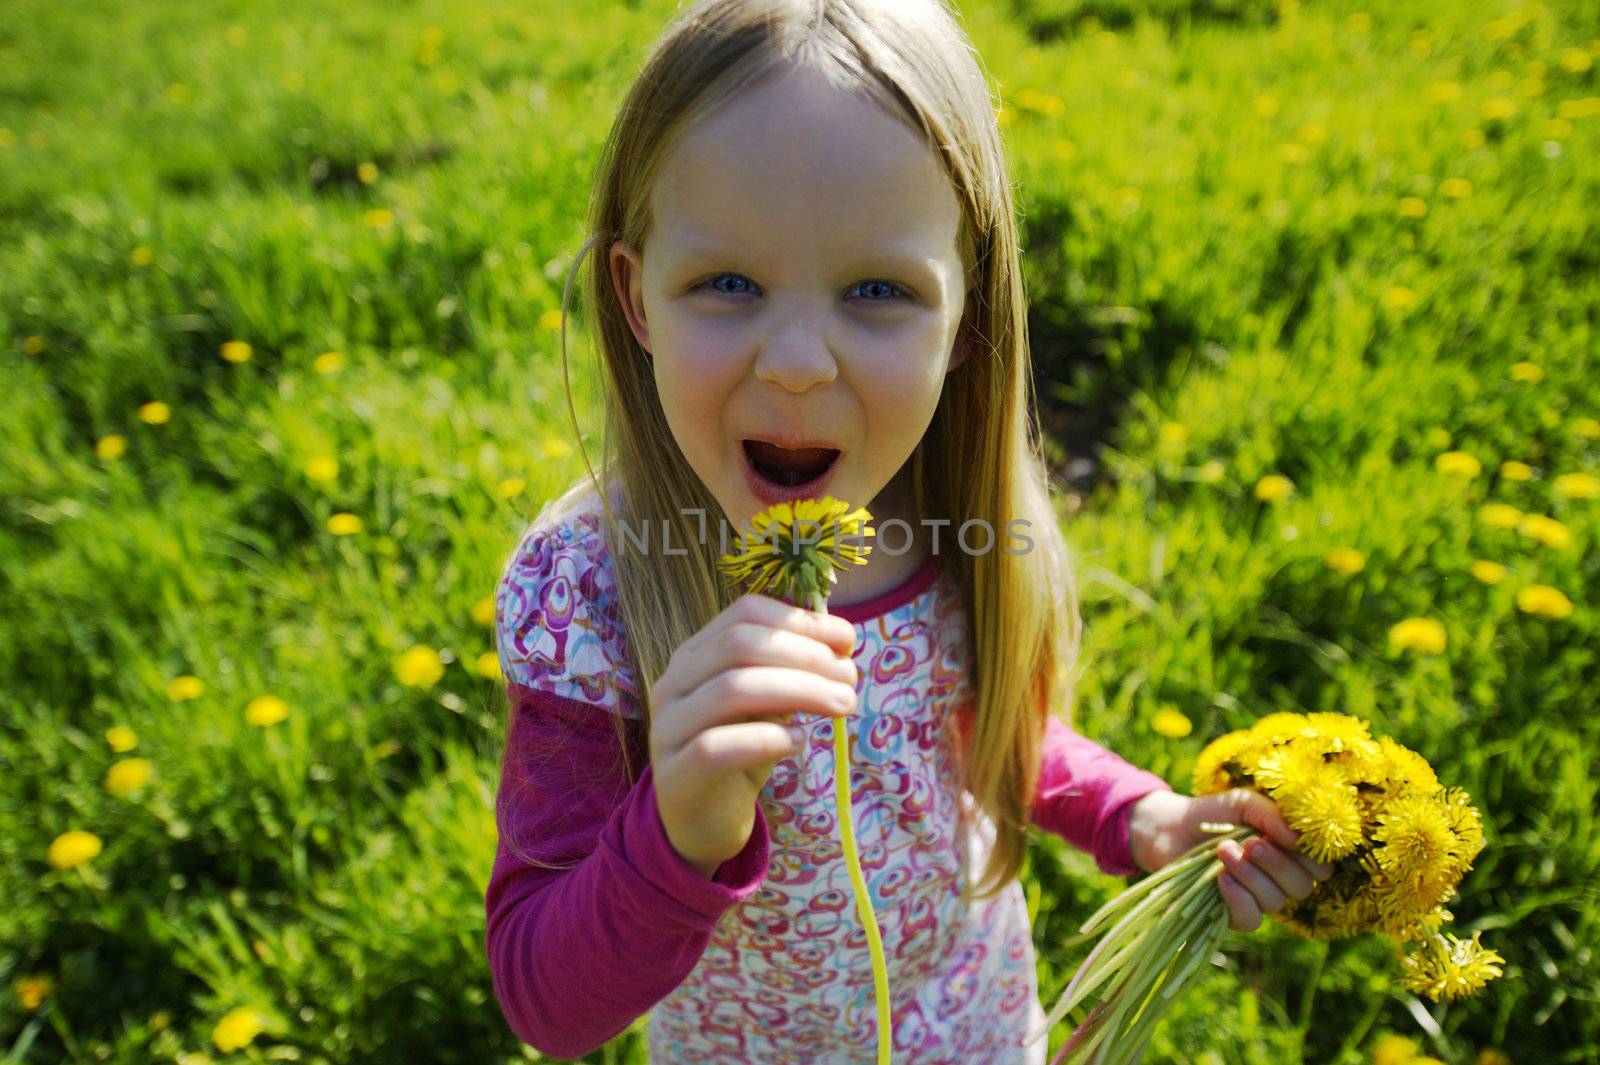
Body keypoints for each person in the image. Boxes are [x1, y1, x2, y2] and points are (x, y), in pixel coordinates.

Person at [485, 0, 1332, 1060]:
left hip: (974, 1029)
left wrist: (1140, 818)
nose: (797, 360)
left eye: (877, 290)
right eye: (727, 284)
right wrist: (677, 834)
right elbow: (544, 1007)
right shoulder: (588, 592)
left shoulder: (954, 523)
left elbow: (979, 741)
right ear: (638, 297)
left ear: (966, 315)